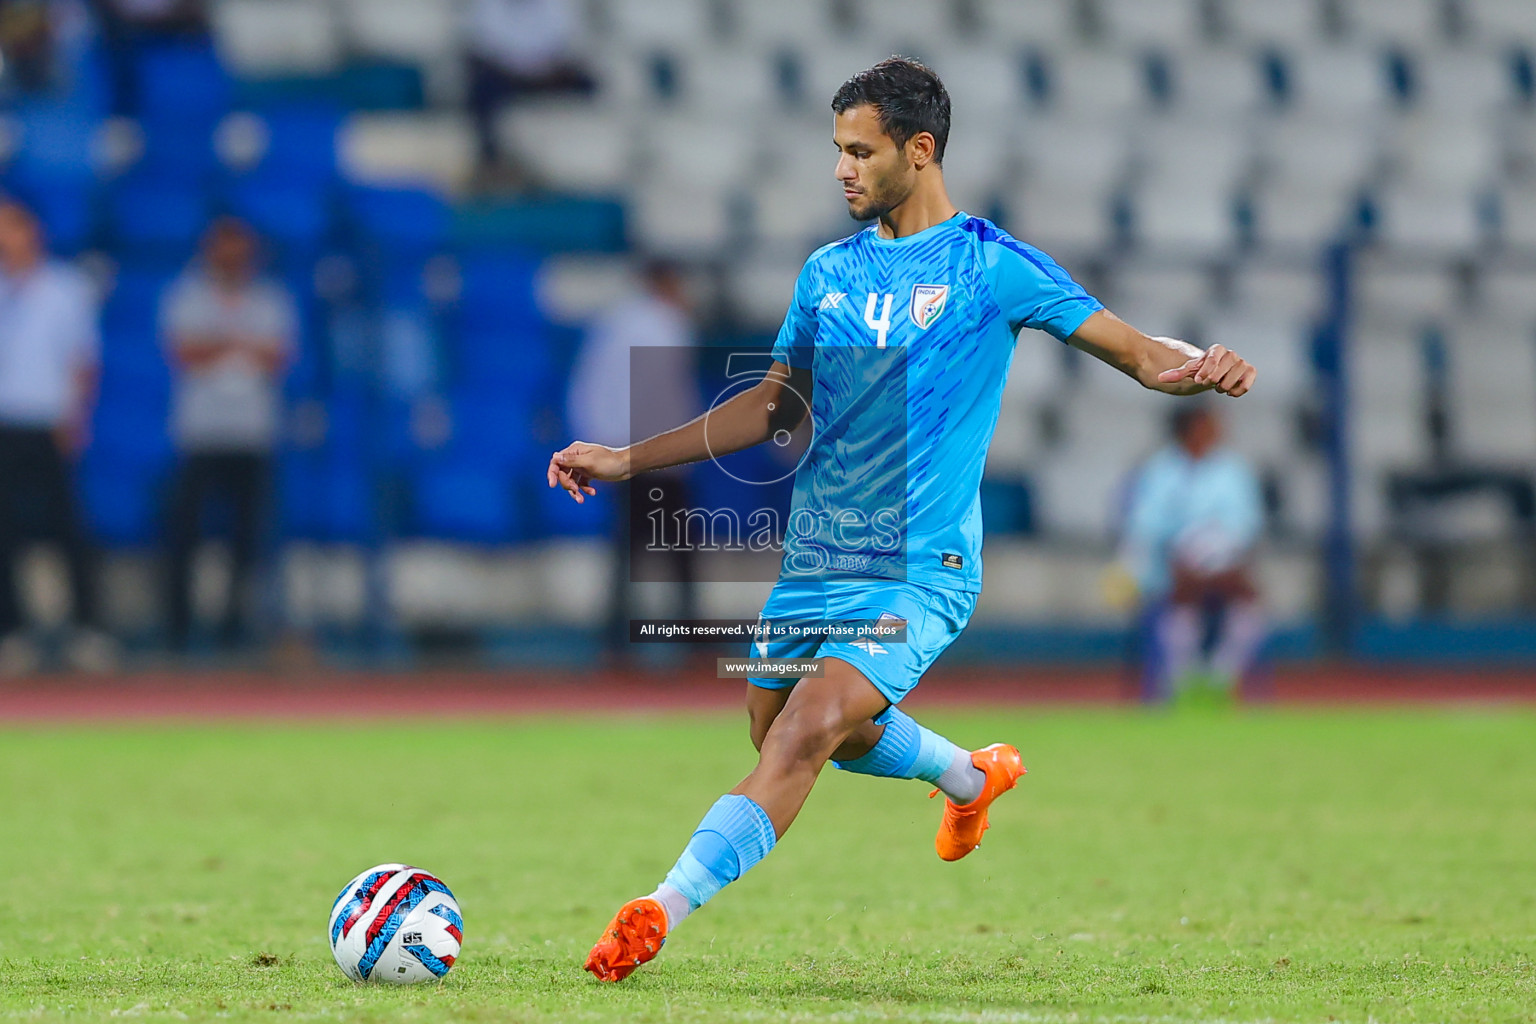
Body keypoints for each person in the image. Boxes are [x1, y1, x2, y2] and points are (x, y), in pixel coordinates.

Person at [547, 57, 1257, 981]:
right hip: (817, 560)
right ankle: (968, 774)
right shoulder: (828, 271)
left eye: (860, 151)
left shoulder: (990, 265)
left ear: (919, 151)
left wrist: (1200, 362)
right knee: (775, 733)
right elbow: (770, 404)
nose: (842, 169)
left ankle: (655, 910)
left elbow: (1132, 350)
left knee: (805, 735)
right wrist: (626, 456)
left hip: (922, 570)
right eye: (836, 151)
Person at [160, 217, 295, 653]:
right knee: (186, 532)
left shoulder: (272, 298)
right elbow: (185, 352)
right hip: (200, 432)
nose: (231, 257)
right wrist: (239, 345)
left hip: (252, 433)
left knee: (246, 537)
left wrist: (220, 344)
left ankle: (233, 628)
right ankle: (179, 627)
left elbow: (277, 356)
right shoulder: (186, 293)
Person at [566, 257, 701, 665]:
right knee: (676, 549)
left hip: (615, 446)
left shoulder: (615, 322)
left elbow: (588, 387)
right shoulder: (665, 324)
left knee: (626, 551)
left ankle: (616, 642)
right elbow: (660, 394)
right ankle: (688, 641)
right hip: (651, 452)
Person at [0, 197, 113, 673]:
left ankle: (87, 631)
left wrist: (76, 416)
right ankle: (12, 633)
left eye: (11, 227)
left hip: (49, 422)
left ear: (33, 232)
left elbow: (84, 360)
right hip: (3, 423)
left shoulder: (66, 288)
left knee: (71, 528)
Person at [1119, 404, 1266, 704]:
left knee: (1249, 603)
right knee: (1179, 600)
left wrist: (1220, 562)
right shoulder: (1159, 470)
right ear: (1184, 431)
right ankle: (1182, 681)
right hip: (1171, 569)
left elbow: (1246, 524)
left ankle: (1220, 677)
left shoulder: (1233, 470)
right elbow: (1146, 527)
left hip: (1226, 566)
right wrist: (1181, 558)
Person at [461, 0, 594, 180]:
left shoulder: (557, 5)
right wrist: (522, 73)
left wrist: (546, 73)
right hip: (505, 77)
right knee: (481, 90)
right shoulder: (487, 5)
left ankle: (585, 150)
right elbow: (484, 50)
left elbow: (564, 47)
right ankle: (492, 159)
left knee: (590, 83)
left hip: (549, 76)